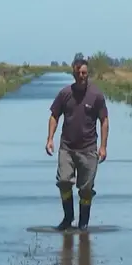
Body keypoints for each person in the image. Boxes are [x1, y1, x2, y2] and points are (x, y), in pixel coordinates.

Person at [45, 58, 109, 231]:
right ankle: (68, 217)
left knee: (86, 189)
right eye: (78, 73)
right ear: (73, 73)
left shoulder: (96, 95)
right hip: (67, 148)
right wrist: (50, 138)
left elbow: (104, 120)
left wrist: (103, 146)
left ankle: (83, 223)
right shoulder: (65, 94)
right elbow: (54, 116)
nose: (81, 76)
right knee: (64, 181)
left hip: (88, 149)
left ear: (88, 74)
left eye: (84, 73)